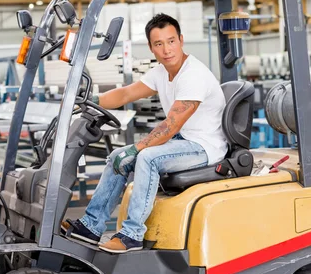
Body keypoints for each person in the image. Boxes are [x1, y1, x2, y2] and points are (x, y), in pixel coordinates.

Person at [62, 13, 227, 253]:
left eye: (171, 41)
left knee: (146, 158)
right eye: (159, 44)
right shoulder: (161, 72)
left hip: (205, 147)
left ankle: (131, 235)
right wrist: (91, 100)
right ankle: (90, 226)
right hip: (185, 141)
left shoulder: (194, 75)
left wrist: (136, 149)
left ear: (181, 40)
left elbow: (171, 125)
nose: (167, 49)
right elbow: (127, 94)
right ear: (151, 48)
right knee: (116, 156)